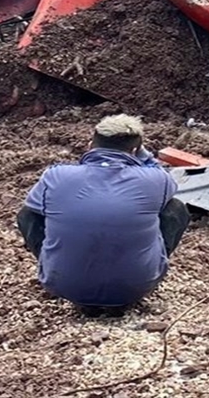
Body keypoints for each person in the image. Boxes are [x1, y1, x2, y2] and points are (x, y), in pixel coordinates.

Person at [16, 114, 189, 316]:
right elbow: (162, 177)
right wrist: (144, 156)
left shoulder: (56, 175)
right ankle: (141, 272)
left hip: (64, 285)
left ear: (91, 145)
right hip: (136, 286)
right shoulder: (156, 179)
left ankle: (58, 268)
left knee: (29, 213)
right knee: (175, 208)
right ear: (135, 151)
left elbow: (29, 216)